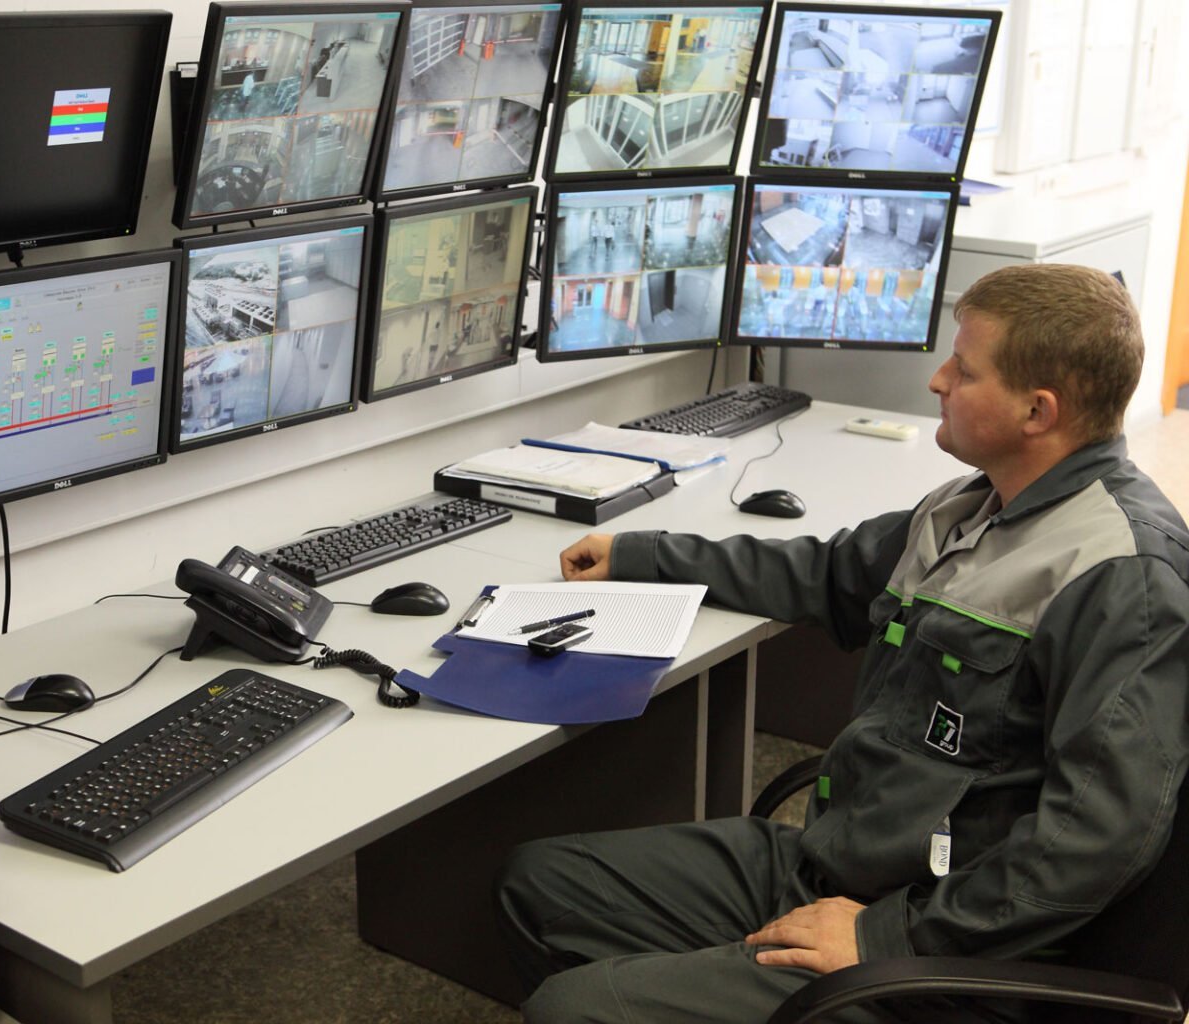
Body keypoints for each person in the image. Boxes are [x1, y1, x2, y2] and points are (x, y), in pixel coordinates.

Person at [495, 263, 1189, 1023]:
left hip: (951, 949)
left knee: (571, 1009)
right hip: (846, 862)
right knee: (543, 885)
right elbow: (828, 573)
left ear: (1037, 410)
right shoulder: (973, 506)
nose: (938, 380)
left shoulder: (1121, 579)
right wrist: (643, 554)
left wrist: (887, 937)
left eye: (964, 369)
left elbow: (1097, 839)